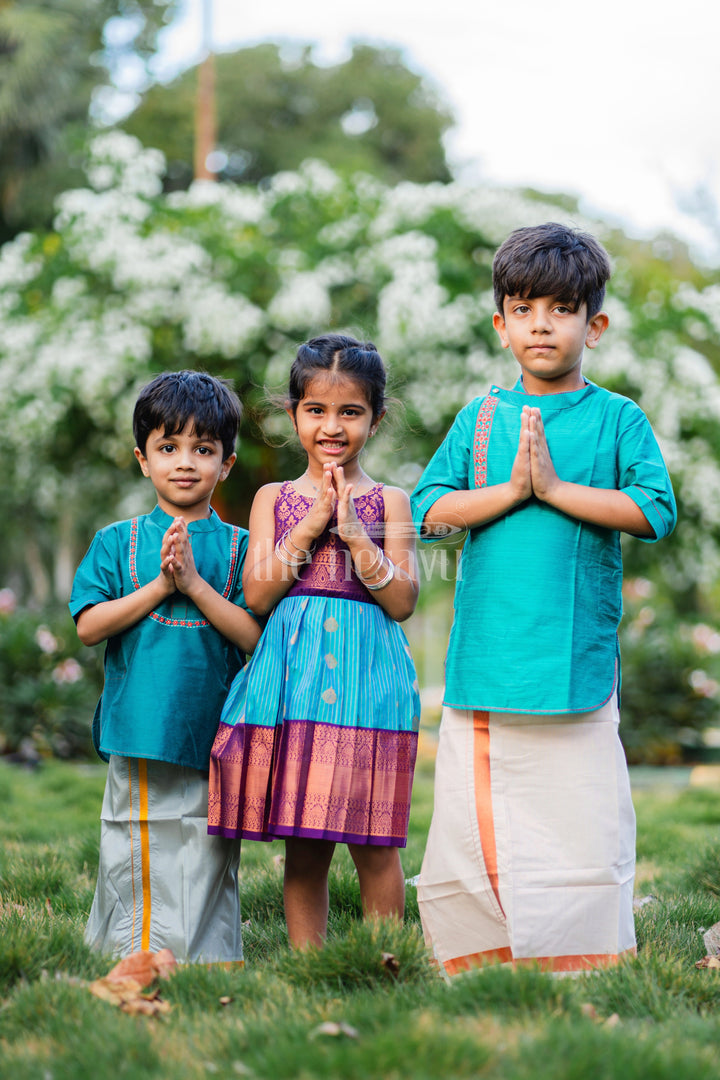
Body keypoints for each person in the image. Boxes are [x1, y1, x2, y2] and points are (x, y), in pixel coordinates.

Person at [411, 223, 677, 976]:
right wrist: (510, 491)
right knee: (476, 816)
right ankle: (480, 953)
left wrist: (557, 490)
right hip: (489, 658)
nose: (540, 324)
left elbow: (655, 511)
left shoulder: (618, 418)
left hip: (573, 661)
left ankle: (582, 950)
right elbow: (429, 511)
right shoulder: (481, 418)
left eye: (560, 310)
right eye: (523, 308)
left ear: (594, 325)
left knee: (582, 812)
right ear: (500, 325)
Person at [208, 334, 421, 948]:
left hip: (370, 687)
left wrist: (356, 535)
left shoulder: (392, 502)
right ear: (293, 414)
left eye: (350, 411)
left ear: (375, 420)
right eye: (316, 410)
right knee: (306, 844)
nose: (333, 426)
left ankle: (385, 962)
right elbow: (258, 595)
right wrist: (311, 522)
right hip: (296, 685)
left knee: (375, 841)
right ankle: (312, 968)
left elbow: (403, 601)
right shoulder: (273, 499)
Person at [70, 370, 261, 964]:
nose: (186, 462)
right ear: (142, 459)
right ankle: (135, 961)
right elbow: (88, 627)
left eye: (204, 449)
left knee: (208, 850)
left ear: (226, 464)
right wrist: (160, 585)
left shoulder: (241, 546)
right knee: (138, 847)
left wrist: (195, 585)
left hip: (215, 730)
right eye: (168, 447)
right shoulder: (115, 540)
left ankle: (206, 964)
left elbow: (254, 636)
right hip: (141, 728)